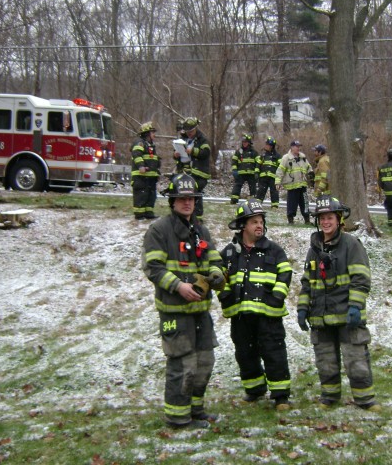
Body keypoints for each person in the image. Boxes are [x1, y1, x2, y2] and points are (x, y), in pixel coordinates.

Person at [142, 173, 226, 428]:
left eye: (191, 198)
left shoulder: (201, 230)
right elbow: (153, 267)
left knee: (204, 361)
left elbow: (215, 261)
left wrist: (216, 274)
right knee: (182, 363)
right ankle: (178, 418)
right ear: (173, 201)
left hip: (200, 310)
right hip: (175, 311)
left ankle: (195, 409)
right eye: (182, 198)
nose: (187, 202)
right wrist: (179, 286)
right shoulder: (159, 230)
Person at [297, 195, 379, 411]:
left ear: (339, 219)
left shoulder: (351, 244)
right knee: (325, 360)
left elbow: (361, 279)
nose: (326, 222)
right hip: (320, 316)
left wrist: (355, 306)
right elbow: (307, 282)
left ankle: (365, 400)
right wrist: (303, 308)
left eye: (330, 217)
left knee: (356, 359)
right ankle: (329, 397)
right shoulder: (313, 249)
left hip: (346, 314)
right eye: (322, 218)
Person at [218, 198, 293, 411]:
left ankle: (281, 396)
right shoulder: (229, 253)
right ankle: (254, 389)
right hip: (240, 314)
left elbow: (285, 274)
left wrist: (277, 297)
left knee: (274, 352)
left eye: (261, 221)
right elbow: (217, 276)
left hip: (269, 315)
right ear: (243, 226)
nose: (259, 225)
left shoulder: (274, 251)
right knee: (245, 353)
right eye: (254, 222)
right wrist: (225, 296)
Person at [173, 117, 211, 221]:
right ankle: (184, 216)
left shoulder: (202, 139)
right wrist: (175, 154)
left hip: (199, 174)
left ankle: (197, 218)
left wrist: (193, 151)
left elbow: (206, 153)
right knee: (184, 194)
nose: (189, 133)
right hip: (184, 172)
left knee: (196, 194)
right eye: (187, 131)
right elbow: (177, 152)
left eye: (191, 131)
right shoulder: (183, 139)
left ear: (195, 128)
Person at [275, 140, 313, 224]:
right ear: (292, 147)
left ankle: (307, 220)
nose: (298, 148)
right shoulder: (286, 158)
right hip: (292, 185)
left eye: (299, 146)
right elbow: (280, 170)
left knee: (305, 203)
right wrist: (278, 182)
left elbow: (308, 167)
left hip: (303, 185)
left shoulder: (303, 157)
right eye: (297, 146)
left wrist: (311, 175)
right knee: (292, 204)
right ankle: (291, 220)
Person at [131, 122, 161, 220]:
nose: (154, 135)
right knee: (141, 195)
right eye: (152, 132)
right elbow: (136, 154)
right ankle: (139, 214)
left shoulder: (151, 145)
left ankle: (149, 212)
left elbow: (153, 160)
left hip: (150, 176)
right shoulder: (140, 143)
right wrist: (141, 166)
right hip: (141, 176)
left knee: (151, 195)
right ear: (147, 133)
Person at [230, 133, 258, 204]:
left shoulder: (254, 152)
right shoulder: (238, 152)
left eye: (245, 142)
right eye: (243, 142)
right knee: (237, 186)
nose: (244, 143)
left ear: (249, 143)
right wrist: (234, 170)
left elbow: (258, 163)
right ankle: (234, 200)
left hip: (251, 173)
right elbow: (234, 161)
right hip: (240, 173)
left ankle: (253, 201)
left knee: (253, 187)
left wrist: (256, 172)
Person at [255, 136, 282, 208]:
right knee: (261, 191)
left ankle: (275, 205)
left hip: (273, 178)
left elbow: (280, 167)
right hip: (263, 177)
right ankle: (257, 205)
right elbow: (258, 165)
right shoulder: (263, 155)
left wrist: (279, 177)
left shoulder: (277, 156)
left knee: (274, 192)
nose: (265, 146)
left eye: (267, 144)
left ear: (271, 146)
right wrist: (256, 173)